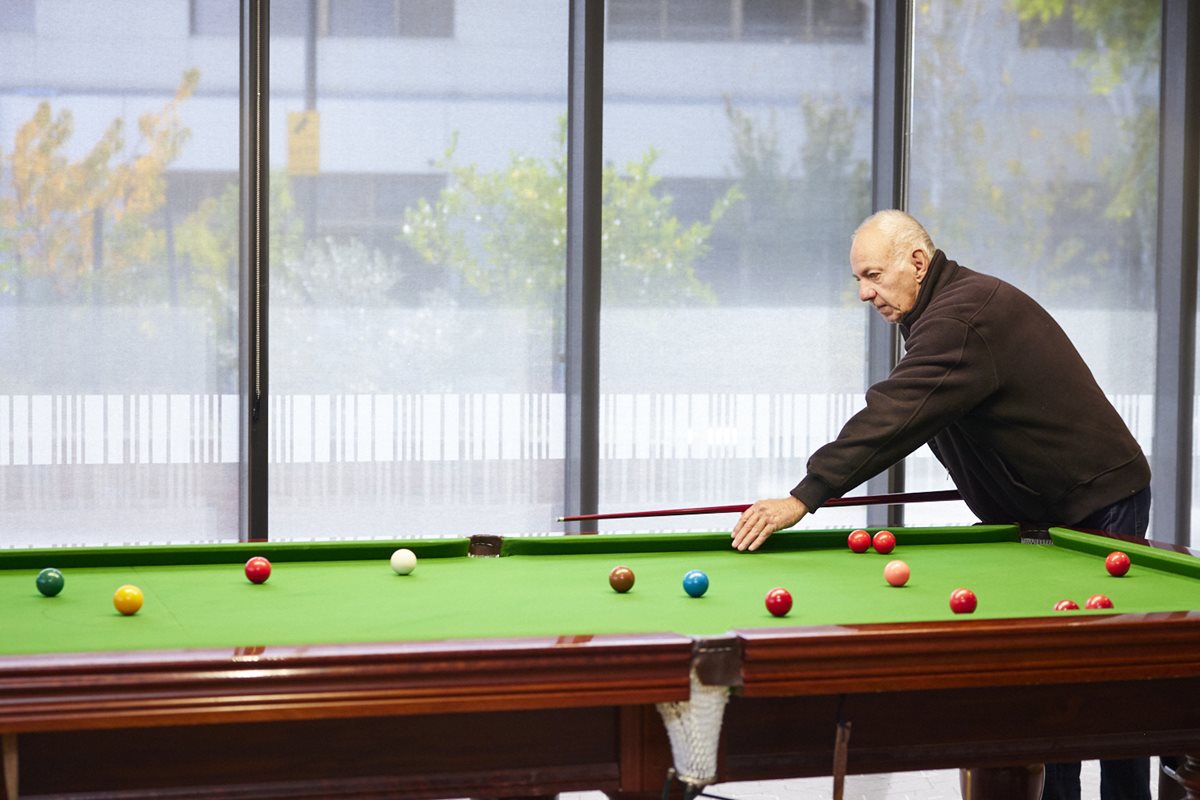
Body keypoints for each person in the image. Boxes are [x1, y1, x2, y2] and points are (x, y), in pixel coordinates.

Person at [731, 209, 1152, 800]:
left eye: (872, 275)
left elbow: (895, 413)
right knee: (1056, 682)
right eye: (859, 279)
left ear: (918, 263)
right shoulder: (939, 310)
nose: (864, 293)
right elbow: (933, 417)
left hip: (1099, 498)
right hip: (1046, 507)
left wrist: (806, 495)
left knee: (1107, 685)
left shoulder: (962, 316)